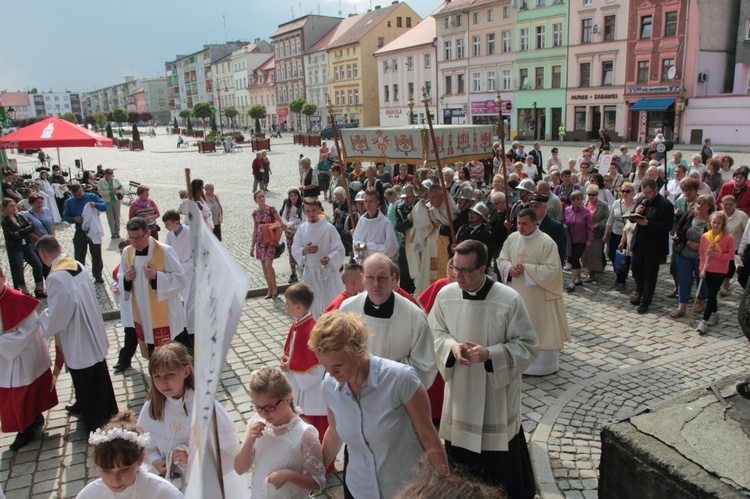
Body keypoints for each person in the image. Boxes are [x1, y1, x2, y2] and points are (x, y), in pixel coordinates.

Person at [429, 240, 538, 497]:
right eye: (455, 268)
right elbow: (433, 332)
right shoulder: (446, 296)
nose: (458, 275)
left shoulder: (508, 299)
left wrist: (492, 354)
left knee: (501, 468)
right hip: (461, 394)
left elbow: (528, 344)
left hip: (496, 397)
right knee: (461, 467)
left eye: (465, 270)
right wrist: (451, 347)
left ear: (482, 269)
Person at [310, 312, 449, 498]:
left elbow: (428, 435)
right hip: (358, 489)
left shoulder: (400, 379)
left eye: (338, 365)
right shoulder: (329, 385)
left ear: (358, 350)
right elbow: (335, 432)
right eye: (324, 366)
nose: (331, 373)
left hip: (406, 490)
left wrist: (445, 485)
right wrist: (316, 474)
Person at [138, 343, 246, 494]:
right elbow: (145, 445)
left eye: (169, 374)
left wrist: (192, 456)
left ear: (186, 371)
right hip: (168, 482)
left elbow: (228, 448)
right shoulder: (151, 407)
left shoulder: (205, 405)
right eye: (157, 377)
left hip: (203, 481)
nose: (163, 383)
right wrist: (155, 459)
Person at [37, 235, 118, 433]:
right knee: (97, 372)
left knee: (86, 377)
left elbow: (59, 314)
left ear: (42, 254)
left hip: (77, 335)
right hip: (91, 327)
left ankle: (96, 419)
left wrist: (43, 317)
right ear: (60, 246)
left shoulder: (55, 277)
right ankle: (93, 405)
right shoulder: (76, 264)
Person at [340, 252, 437, 387]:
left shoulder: (414, 316)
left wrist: (381, 376)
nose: (376, 284)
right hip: (357, 390)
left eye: (382, 278)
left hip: (396, 396)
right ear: (362, 278)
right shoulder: (347, 308)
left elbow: (424, 366)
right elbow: (339, 351)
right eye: (370, 277)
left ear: (393, 279)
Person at [498, 208, 570, 376]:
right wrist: (509, 268)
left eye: (524, 224)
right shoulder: (512, 238)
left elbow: (553, 270)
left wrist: (527, 269)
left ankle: (541, 367)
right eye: (518, 223)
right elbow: (502, 258)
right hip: (517, 291)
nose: (520, 228)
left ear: (534, 223)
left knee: (538, 328)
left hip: (538, 298)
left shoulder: (546, 242)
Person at [235, 366, 325, 498]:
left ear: (287, 399)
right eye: (258, 407)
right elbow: (240, 469)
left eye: (270, 407)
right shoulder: (256, 422)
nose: (264, 414)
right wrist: (249, 441)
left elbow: (318, 482)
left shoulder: (304, 434)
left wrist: (289, 475)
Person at [0, 266, 58, 451]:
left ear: (3, 277)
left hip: (20, 357)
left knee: (20, 395)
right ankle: (33, 418)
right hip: (5, 358)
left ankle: (24, 429)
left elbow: (31, 328)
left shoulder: (17, 300)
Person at [119, 217, 189, 352]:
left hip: (165, 313)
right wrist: (126, 278)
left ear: (148, 233)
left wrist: (157, 277)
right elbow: (121, 274)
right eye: (131, 238)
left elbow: (181, 279)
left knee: (171, 349)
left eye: (138, 238)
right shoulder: (127, 252)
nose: (134, 242)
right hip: (142, 311)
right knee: (151, 345)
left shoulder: (165, 251)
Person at [77, 411, 183, 499]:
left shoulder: (163, 493)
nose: (115, 479)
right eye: (106, 470)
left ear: (140, 459)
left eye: (124, 469)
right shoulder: (90, 495)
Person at [280, 284, 328, 441]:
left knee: (315, 431)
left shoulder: (310, 331)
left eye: (288, 303)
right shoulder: (297, 325)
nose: (285, 305)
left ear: (298, 306)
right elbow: (296, 354)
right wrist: (289, 362)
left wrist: (291, 367)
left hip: (312, 393)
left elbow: (317, 369)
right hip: (301, 389)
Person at [291, 198, 345, 318]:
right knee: (312, 304)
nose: (311, 214)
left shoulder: (329, 228)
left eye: (314, 210)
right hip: (311, 273)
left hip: (328, 272)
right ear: (304, 212)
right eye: (308, 211)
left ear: (319, 210)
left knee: (331, 302)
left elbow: (339, 249)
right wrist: (304, 251)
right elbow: (295, 249)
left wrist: (329, 258)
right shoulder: (302, 229)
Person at [630, 178, 675, 314]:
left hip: (653, 246)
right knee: (636, 270)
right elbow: (632, 218)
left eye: (649, 193)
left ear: (656, 190)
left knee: (650, 274)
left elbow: (667, 226)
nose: (646, 195)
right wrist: (636, 212)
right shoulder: (641, 201)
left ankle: (646, 301)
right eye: (644, 193)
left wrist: (648, 223)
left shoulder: (666, 205)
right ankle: (641, 292)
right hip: (639, 243)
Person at [671, 195, 714, 319]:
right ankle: (682, 307)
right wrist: (686, 242)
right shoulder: (690, 215)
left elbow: (716, 237)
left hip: (702, 256)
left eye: (703, 204)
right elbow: (679, 229)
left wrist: (701, 245)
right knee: (683, 279)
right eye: (698, 203)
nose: (699, 206)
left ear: (709, 207)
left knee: (702, 280)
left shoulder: (712, 220)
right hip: (685, 253)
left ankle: (701, 302)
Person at [696, 211, 735, 334]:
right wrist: (701, 269)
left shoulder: (728, 237)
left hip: (720, 270)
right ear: (710, 222)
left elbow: (731, 255)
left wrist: (716, 254)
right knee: (710, 293)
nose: (715, 225)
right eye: (713, 222)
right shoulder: (705, 237)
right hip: (708, 269)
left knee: (712, 294)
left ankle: (704, 321)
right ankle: (714, 312)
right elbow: (702, 254)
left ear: (723, 224)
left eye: (718, 223)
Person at [63, 184, 106, 283]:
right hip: (80, 230)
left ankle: (97, 274)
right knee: (79, 253)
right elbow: (65, 216)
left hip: (93, 229)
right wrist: (74, 219)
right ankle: (80, 274)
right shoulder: (70, 202)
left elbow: (104, 206)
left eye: (79, 194)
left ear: (82, 189)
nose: (78, 197)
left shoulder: (92, 197)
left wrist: (95, 205)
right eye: (75, 195)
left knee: (96, 253)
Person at [2, 198, 46, 297]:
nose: (14, 208)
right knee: (19, 269)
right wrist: (23, 231)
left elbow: (31, 227)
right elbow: (12, 235)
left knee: (38, 264)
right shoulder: (5, 222)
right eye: (11, 206)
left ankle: (39, 288)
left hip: (26, 245)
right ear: (5, 208)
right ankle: (24, 290)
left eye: (14, 205)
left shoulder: (20, 216)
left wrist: (20, 231)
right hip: (15, 248)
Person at [163, 210, 194, 338]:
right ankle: (182, 327)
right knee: (177, 301)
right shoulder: (170, 235)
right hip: (176, 273)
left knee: (190, 302)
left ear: (176, 222)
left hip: (190, 273)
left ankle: (191, 331)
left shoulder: (190, 233)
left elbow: (196, 257)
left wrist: (182, 267)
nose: (166, 227)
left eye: (168, 224)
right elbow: (166, 252)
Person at [251, 190, 286, 299]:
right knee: (264, 267)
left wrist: (272, 227)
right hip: (261, 241)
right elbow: (255, 230)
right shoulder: (255, 213)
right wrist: (252, 246)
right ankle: (269, 289)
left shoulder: (271, 209)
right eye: (259, 197)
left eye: (263, 196)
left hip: (270, 240)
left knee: (268, 265)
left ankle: (275, 288)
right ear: (256, 200)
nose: (262, 198)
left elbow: (280, 223)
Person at [351, 187, 399, 264]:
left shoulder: (385, 222)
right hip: (365, 263)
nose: (367, 204)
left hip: (380, 264)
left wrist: (369, 246)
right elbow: (356, 239)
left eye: (370, 201)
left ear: (377, 202)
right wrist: (357, 245)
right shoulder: (362, 221)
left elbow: (391, 248)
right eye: (365, 201)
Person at [604, 182, 637, 291]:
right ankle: (619, 273)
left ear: (632, 192)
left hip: (628, 235)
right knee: (612, 255)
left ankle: (621, 279)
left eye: (627, 191)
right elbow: (610, 219)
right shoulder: (616, 203)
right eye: (623, 191)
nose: (625, 193)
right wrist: (606, 234)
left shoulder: (635, 205)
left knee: (625, 257)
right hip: (616, 232)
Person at [564, 190, 593, 292]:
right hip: (570, 240)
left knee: (575, 259)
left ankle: (572, 283)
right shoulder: (567, 210)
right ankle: (579, 279)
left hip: (581, 239)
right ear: (572, 201)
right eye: (577, 199)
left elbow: (590, 227)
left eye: (581, 199)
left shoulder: (586, 212)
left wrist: (590, 239)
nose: (579, 201)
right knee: (572, 258)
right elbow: (565, 222)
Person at [719, 195, 747, 296]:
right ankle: (720, 282)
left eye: (730, 204)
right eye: (725, 204)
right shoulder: (718, 215)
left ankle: (725, 285)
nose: (727, 206)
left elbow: (746, 232)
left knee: (730, 267)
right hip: (719, 246)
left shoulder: (741, 216)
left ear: (735, 204)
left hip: (735, 246)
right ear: (721, 204)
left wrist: (742, 249)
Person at [581, 185, 610, 282]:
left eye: (593, 195)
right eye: (589, 194)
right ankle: (590, 268)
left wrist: (599, 224)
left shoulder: (603, 205)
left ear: (597, 194)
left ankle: (591, 273)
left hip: (597, 233)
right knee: (586, 252)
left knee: (595, 252)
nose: (591, 197)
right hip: (585, 232)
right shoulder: (584, 204)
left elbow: (607, 218)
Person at [281, 188, 305, 283]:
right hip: (289, 232)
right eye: (291, 196)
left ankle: (303, 269)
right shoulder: (287, 205)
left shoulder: (301, 206)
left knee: (300, 251)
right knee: (291, 252)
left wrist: (294, 226)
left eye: (295, 195)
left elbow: (303, 220)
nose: (293, 197)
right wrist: (287, 225)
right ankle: (293, 273)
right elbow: (283, 217)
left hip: (299, 232)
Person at [97, 168, 123, 239]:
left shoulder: (116, 180)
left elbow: (121, 188)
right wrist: (109, 192)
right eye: (108, 173)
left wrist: (118, 191)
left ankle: (118, 232)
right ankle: (113, 233)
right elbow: (100, 192)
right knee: (110, 218)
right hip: (107, 201)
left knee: (117, 217)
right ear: (105, 174)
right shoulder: (101, 181)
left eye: (111, 173)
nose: (109, 175)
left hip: (116, 200)